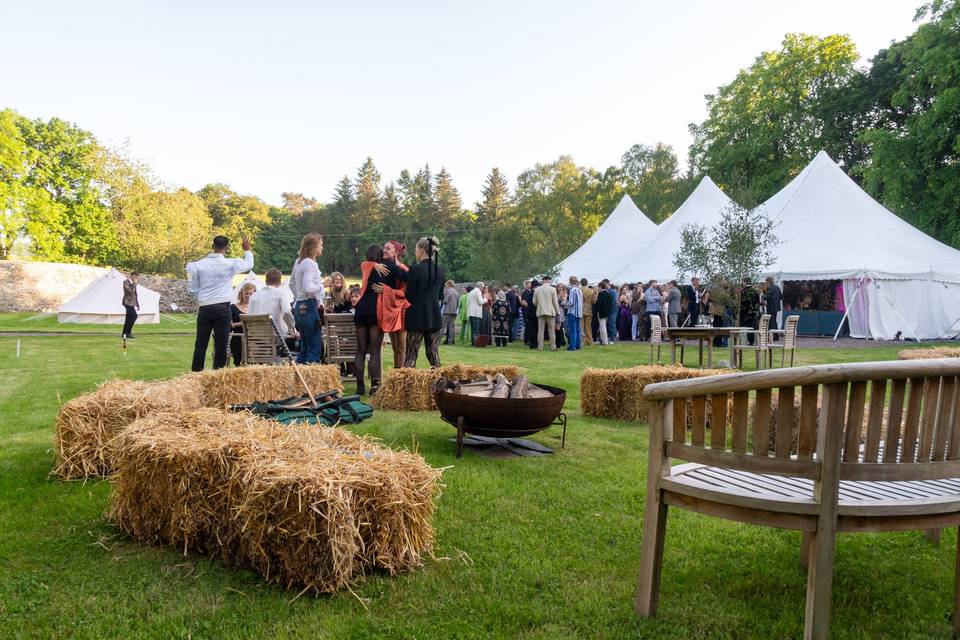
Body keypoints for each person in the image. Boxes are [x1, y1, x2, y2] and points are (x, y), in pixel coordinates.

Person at [187, 234, 254, 371]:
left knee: (200, 343)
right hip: (223, 307)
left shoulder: (199, 265)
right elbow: (249, 264)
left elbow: (193, 288)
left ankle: (196, 372)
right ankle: (218, 373)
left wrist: (202, 298)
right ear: (227, 247)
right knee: (221, 344)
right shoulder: (230, 263)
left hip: (205, 306)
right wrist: (247, 250)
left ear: (213, 246)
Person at [355, 244, 400, 395]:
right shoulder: (388, 267)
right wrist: (397, 263)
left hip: (361, 308)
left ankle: (360, 385)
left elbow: (364, 263)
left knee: (361, 350)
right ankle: (374, 386)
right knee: (375, 350)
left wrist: (373, 264)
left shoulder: (366, 266)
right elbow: (406, 276)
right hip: (375, 309)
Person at [404, 237, 445, 368]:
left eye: (416, 249)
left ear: (421, 250)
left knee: (411, 354)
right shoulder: (440, 270)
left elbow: (409, 296)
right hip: (434, 315)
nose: (415, 252)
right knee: (433, 353)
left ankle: (408, 385)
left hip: (417, 315)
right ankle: (441, 382)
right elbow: (440, 295)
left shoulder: (415, 269)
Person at [289, 233, 326, 364]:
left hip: (299, 306)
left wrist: (299, 298)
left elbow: (291, 284)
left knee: (305, 348)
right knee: (314, 348)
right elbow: (308, 287)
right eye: (321, 245)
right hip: (309, 306)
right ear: (314, 247)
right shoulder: (310, 264)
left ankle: (298, 381)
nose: (322, 247)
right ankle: (311, 382)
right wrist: (323, 285)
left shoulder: (298, 262)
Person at [249, 267, 298, 351]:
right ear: (279, 282)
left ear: (266, 281)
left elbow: (249, 316)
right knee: (295, 337)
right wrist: (293, 329)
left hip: (255, 337)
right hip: (275, 338)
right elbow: (287, 312)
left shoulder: (254, 296)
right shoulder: (280, 294)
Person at [380, 240, 410, 368]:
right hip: (391, 309)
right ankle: (396, 373)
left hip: (402, 310)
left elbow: (405, 293)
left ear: (395, 252)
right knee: (395, 347)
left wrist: (386, 290)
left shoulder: (403, 269)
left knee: (402, 348)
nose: (384, 250)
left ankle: (400, 374)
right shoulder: (385, 266)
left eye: (387, 248)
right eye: (384, 248)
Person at [229, 282, 257, 366]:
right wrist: (242, 323)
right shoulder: (232, 307)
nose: (248, 295)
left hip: (254, 339)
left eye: (251, 294)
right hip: (238, 338)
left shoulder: (257, 306)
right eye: (246, 293)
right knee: (240, 344)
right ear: (241, 294)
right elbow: (230, 326)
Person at [532, 275, 560, 350]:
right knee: (551, 330)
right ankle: (553, 347)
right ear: (549, 280)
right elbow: (555, 302)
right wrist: (558, 312)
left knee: (540, 330)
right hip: (550, 311)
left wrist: (540, 305)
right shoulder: (552, 289)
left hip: (540, 311)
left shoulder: (537, 289)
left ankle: (540, 346)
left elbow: (534, 302)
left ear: (543, 280)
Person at [121, 271, 140, 339]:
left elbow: (134, 294)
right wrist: (134, 283)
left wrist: (137, 304)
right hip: (127, 302)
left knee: (129, 318)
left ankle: (125, 333)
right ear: (132, 275)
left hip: (132, 303)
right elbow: (129, 291)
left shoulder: (132, 283)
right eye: (135, 276)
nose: (136, 278)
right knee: (134, 316)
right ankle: (127, 333)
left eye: (137, 277)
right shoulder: (125, 282)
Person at [565, 276, 582, 350]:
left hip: (572, 312)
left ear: (570, 281)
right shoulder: (579, 290)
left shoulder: (572, 290)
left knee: (572, 330)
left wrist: (565, 304)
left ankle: (572, 346)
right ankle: (578, 345)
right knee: (578, 329)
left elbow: (571, 303)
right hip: (579, 312)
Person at [594, 281, 612, 345]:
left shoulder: (601, 294)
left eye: (598, 287)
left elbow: (598, 304)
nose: (598, 288)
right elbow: (610, 304)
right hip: (607, 312)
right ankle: (603, 340)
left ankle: (605, 341)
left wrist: (595, 306)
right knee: (604, 326)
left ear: (600, 287)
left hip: (601, 312)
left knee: (602, 327)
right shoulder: (608, 294)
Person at [441, 279, 459, 345]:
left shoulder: (448, 291)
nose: (446, 286)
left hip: (447, 311)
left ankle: (437, 340)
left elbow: (445, 301)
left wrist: (443, 302)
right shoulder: (456, 292)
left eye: (446, 285)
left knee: (442, 326)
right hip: (454, 311)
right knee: (451, 327)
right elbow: (457, 303)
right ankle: (450, 341)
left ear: (449, 284)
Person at [522, 280, 538, 349]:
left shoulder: (530, 292)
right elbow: (523, 302)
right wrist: (530, 306)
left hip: (530, 312)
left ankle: (530, 341)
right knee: (529, 327)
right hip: (529, 312)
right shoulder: (526, 293)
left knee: (530, 327)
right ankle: (528, 341)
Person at [580, 278, 594, 346]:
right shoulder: (591, 291)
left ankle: (582, 341)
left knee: (581, 326)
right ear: (587, 283)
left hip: (581, 310)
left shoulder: (579, 290)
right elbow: (593, 301)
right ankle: (590, 341)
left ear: (580, 283)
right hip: (589, 310)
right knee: (588, 326)